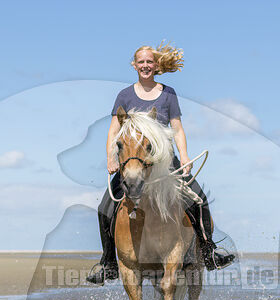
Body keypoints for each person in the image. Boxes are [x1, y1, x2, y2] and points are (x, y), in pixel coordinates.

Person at [87, 42, 235, 285]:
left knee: (199, 200)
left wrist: (185, 156)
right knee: (104, 209)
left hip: (164, 162)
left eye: (149, 62)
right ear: (134, 65)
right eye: (141, 62)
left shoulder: (168, 94)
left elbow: (177, 128)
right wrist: (111, 157)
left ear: (156, 65)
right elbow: (114, 129)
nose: (145, 66)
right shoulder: (124, 95)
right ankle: (108, 263)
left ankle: (209, 251)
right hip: (132, 164)